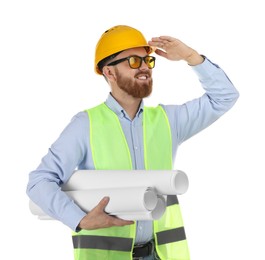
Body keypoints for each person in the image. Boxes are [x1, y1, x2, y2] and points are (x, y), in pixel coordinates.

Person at [26, 25, 239, 260]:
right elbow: (39, 182)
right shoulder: (85, 125)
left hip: (162, 255)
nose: (146, 67)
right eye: (134, 61)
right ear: (109, 72)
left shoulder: (169, 121)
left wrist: (191, 57)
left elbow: (224, 96)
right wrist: (79, 219)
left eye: (147, 60)